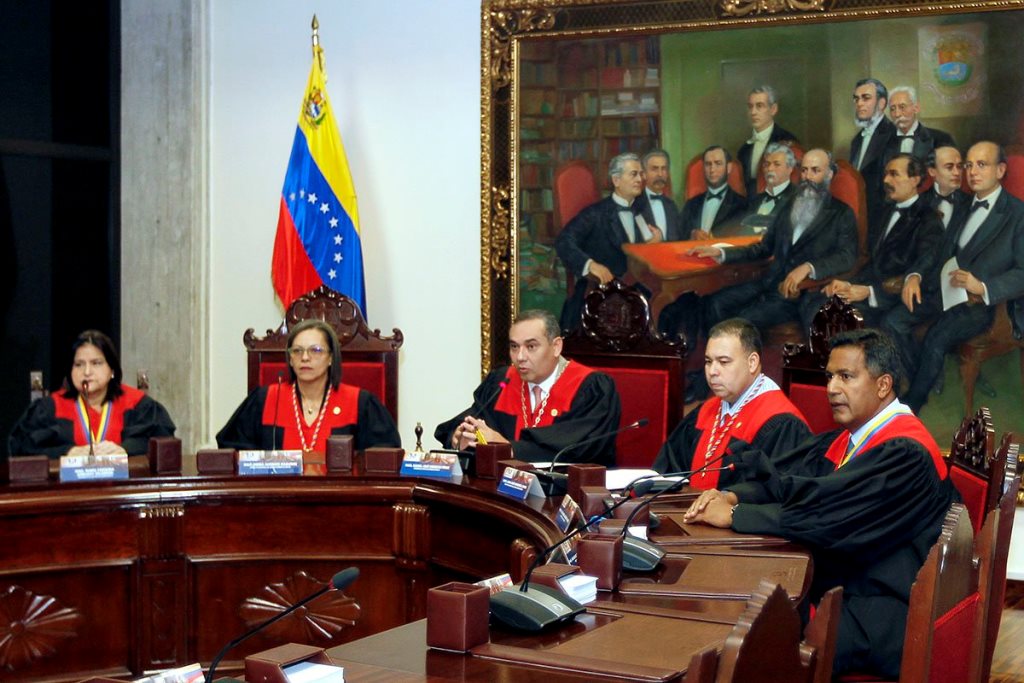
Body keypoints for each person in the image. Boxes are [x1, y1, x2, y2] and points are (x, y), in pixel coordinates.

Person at [682, 329, 959, 678]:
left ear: (883, 385)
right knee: (750, 608)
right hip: (853, 584)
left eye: (846, 377)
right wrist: (735, 495)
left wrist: (737, 515)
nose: (831, 388)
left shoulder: (905, 453)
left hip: (885, 611)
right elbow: (795, 481)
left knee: (764, 644)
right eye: (829, 376)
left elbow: (830, 521)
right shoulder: (850, 439)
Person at [882, 141, 1024, 412]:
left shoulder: (1018, 214)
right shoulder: (963, 205)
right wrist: (915, 275)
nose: (972, 172)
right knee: (893, 321)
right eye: (969, 165)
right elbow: (937, 252)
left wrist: (982, 286)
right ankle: (924, 378)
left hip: (985, 305)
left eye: (981, 165)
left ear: (1000, 170)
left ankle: (912, 404)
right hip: (945, 291)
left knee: (936, 336)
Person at [695, 148, 858, 335]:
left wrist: (808, 267)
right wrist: (722, 252)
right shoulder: (791, 205)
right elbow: (764, 248)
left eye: (815, 171)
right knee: (715, 303)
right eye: (804, 170)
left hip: (800, 294)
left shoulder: (841, 213)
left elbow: (847, 256)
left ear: (829, 174)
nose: (807, 177)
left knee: (744, 322)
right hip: (770, 283)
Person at [435, 309, 621, 465]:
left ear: (556, 346)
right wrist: (459, 438)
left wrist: (509, 449)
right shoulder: (501, 382)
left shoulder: (591, 388)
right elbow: (470, 421)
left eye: (531, 347)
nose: (520, 357)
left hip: (566, 492)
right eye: (514, 347)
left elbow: (581, 450)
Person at [652, 319, 810, 489]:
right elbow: (669, 472)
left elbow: (775, 492)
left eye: (723, 362)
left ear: (752, 362)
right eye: (708, 361)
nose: (712, 371)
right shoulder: (705, 412)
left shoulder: (782, 424)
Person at [216, 318, 400, 452]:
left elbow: (383, 455)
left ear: (331, 358)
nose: (305, 357)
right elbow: (232, 448)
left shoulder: (360, 403)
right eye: (297, 351)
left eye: (315, 350)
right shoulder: (265, 400)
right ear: (290, 359)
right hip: (277, 493)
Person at [815, 154, 943, 326]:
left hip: (893, 300)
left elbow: (921, 269)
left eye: (894, 174)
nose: (886, 180)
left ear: (915, 180)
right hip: (869, 290)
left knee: (830, 317)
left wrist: (869, 292)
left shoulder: (929, 219)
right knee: (816, 304)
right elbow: (874, 262)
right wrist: (847, 283)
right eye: (886, 174)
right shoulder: (883, 212)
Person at [8, 330, 176, 458]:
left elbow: (164, 444)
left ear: (112, 370)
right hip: (67, 490)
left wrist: (125, 449)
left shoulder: (137, 404)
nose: (87, 372)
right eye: (79, 364)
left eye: (96, 363)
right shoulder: (50, 408)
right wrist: (67, 452)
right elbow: (21, 446)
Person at [555, 152, 662, 331]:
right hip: (602, 291)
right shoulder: (595, 214)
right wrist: (590, 265)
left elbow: (636, 252)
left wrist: (654, 243)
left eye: (641, 174)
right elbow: (563, 241)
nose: (640, 179)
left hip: (636, 287)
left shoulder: (639, 212)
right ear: (616, 180)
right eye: (633, 174)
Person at [736, 85, 799, 199]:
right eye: (750, 106)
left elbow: (794, 183)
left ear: (773, 109)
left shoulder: (788, 141)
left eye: (759, 106)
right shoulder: (744, 150)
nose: (753, 112)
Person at [849, 78, 896, 228]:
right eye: (856, 99)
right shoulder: (857, 140)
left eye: (866, 98)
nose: (859, 103)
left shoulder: (893, 134)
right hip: (860, 216)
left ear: (881, 103)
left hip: (881, 218)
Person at [678, 145, 748, 239]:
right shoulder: (691, 204)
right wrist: (692, 234)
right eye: (708, 164)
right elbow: (679, 234)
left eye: (718, 163)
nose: (712, 170)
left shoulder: (742, 205)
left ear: (729, 167)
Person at [883, 86, 955, 164]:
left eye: (902, 107)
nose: (897, 114)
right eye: (892, 109)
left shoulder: (941, 139)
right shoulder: (883, 141)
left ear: (916, 108)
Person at [745, 143, 799, 222]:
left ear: (790, 169)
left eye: (777, 164)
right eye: (767, 164)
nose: (770, 169)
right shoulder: (754, 200)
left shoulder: (798, 198)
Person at [635, 149, 682, 240]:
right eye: (655, 169)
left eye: (663, 169)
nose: (660, 174)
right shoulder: (634, 205)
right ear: (644, 174)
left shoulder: (672, 206)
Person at [922, 145, 970, 230]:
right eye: (949, 167)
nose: (957, 173)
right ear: (932, 171)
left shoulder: (970, 202)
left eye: (959, 166)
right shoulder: (920, 202)